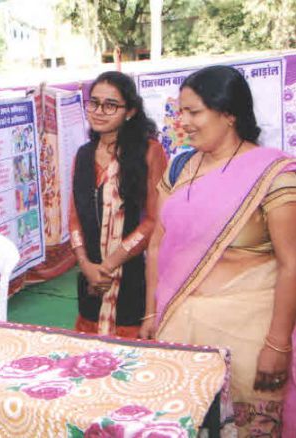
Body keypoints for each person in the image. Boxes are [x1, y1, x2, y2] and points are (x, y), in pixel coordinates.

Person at [141, 65, 296, 435]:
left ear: (229, 114)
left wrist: (277, 346)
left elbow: (291, 264)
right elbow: (157, 243)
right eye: (181, 112)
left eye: (194, 112)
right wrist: (150, 312)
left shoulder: (272, 173)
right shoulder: (180, 167)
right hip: (179, 327)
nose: (183, 122)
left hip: (247, 337)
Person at [69, 71, 167, 338]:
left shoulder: (149, 152)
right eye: (94, 103)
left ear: (130, 111)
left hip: (132, 274)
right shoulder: (83, 154)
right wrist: (86, 265)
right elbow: (75, 217)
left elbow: (154, 220)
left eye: (110, 105)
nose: (99, 111)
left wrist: (109, 264)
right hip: (90, 277)